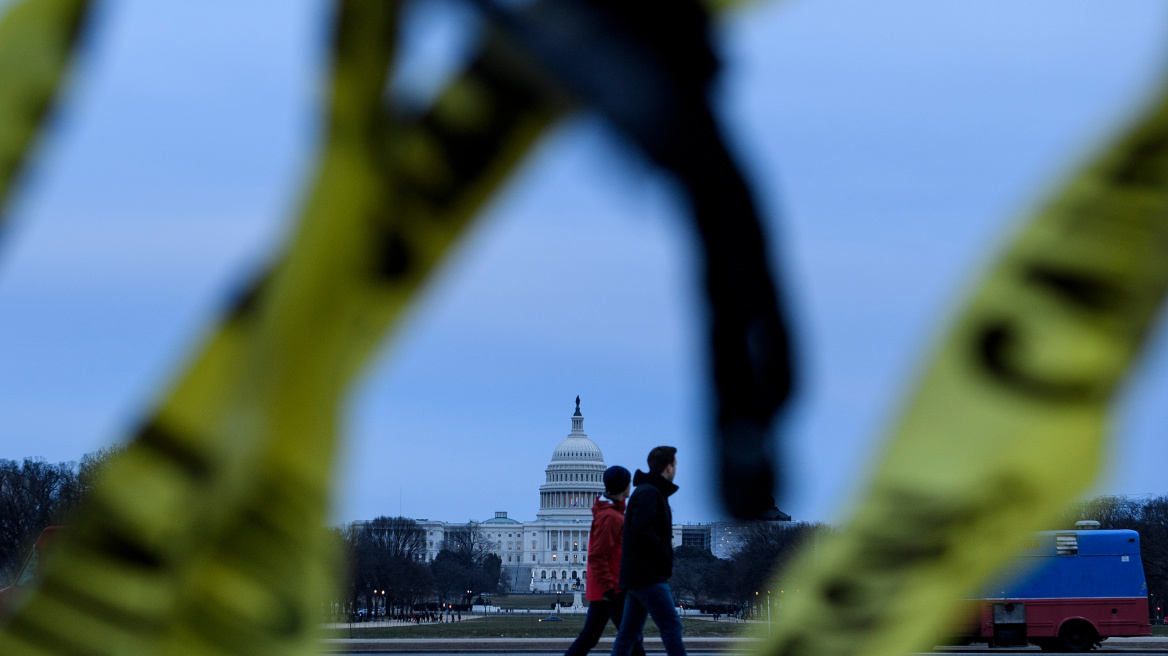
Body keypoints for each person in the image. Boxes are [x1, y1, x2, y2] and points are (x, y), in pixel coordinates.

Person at [611, 446, 685, 656]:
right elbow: (642, 532)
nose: (676, 469)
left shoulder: (648, 491)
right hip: (648, 575)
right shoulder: (649, 493)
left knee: (628, 634)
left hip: (638, 575)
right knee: (671, 626)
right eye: (675, 465)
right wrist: (664, 555)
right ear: (669, 467)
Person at [564, 466, 645, 656]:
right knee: (632, 638)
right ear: (622, 485)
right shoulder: (610, 516)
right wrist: (609, 588)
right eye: (628, 482)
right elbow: (598, 555)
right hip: (611, 588)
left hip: (607, 587)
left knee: (590, 638)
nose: (630, 485)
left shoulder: (612, 514)